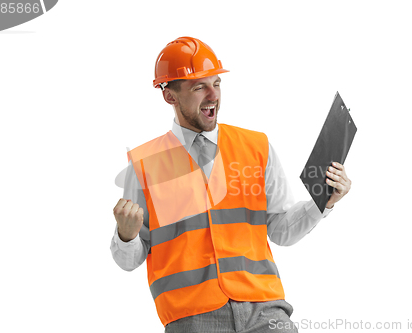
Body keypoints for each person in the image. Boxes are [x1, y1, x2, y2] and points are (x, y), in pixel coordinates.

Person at [110, 36, 351, 333]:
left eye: (217, 83)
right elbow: (129, 260)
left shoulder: (256, 147)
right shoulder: (146, 164)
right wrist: (126, 235)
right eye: (199, 87)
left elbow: (280, 231)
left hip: (266, 310)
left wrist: (323, 202)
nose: (213, 95)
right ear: (169, 96)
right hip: (192, 317)